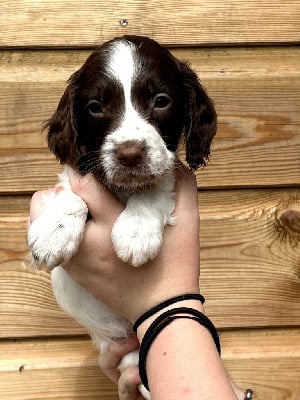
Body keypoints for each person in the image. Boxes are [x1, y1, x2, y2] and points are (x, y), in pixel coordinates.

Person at [29, 166, 250, 400]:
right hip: (134, 345)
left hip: (144, 344)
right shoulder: (75, 193)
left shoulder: (163, 188)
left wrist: (162, 307)